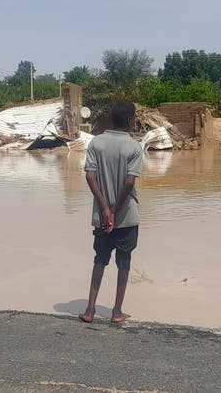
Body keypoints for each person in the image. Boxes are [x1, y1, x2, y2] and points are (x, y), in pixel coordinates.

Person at [80, 101, 143, 323]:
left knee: (100, 259)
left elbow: (90, 176)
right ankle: (116, 311)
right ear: (129, 120)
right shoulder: (134, 147)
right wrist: (115, 210)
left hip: (102, 217)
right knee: (123, 262)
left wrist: (105, 209)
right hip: (126, 217)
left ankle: (89, 310)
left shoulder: (96, 143)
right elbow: (129, 183)